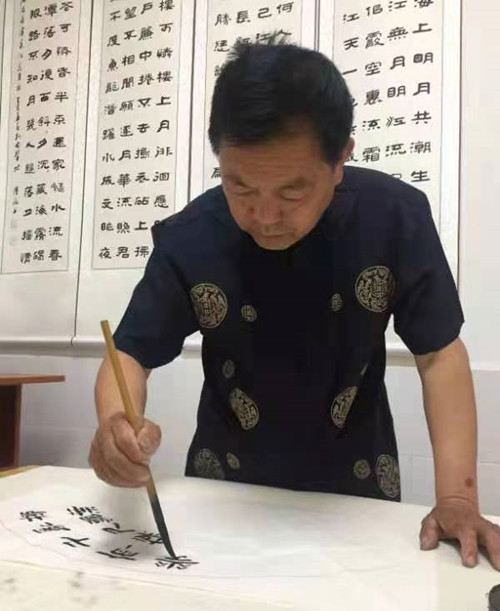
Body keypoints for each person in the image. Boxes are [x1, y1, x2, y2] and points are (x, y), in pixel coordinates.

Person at [89, 41, 500, 570]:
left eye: (291, 193)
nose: (264, 216)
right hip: (224, 488)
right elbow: (129, 352)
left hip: (356, 486)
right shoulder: (192, 237)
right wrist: (115, 423)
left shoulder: (394, 218)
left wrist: (459, 498)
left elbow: (438, 353)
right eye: (240, 186)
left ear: (340, 159)